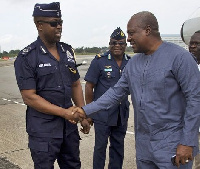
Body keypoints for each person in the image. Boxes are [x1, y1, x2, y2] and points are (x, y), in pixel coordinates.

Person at [74, 11, 200, 168]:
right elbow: (114, 94)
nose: (128, 39)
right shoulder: (134, 63)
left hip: (173, 145)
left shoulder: (180, 58)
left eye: (131, 33)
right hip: (144, 146)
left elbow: (195, 100)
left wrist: (188, 142)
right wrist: (85, 110)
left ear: (147, 30)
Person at [14, 2, 89, 169]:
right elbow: (29, 97)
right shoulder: (27, 57)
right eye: (54, 23)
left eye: (61, 22)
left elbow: (75, 84)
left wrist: (83, 113)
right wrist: (64, 113)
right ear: (39, 25)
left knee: (73, 165)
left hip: (69, 129)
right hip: (43, 131)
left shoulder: (67, 51)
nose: (59, 27)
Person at [84, 27, 130, 169]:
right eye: (113, 43)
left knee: (118, 148)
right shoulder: (100, 61)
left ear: (125, 45)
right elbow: (89, 87)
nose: (117, 46)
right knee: (100, 148)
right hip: (102, 115)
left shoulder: (131, 62)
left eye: (120, 43)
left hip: (121, 114)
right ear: (109, 44)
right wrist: (90, 113)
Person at [189, 30, 200, 169]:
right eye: (191, 43)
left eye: (197, 44)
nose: (192, 46)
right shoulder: (185, 67)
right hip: (189, 127)